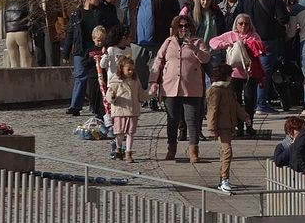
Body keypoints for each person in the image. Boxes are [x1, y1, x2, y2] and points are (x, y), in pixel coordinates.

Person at [149, 15, 210, 163]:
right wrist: (153, 80)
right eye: (181, 26)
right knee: (172, 119)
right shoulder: (169, 42)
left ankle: (193, 150)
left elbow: (206, 58)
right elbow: (158, 60)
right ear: (176, 28)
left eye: (186, 26)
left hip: (192, 87)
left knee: (192, 120)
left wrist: (194, 48)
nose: (184, 28)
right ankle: (172, 148)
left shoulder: (198, 41)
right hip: (170, 86)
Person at [203, 62, 247, 194]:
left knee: (224, 153)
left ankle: (223, 179)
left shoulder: (228, 89)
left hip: (229, 126)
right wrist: (212, 128)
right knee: (227, 151)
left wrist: (245, 117)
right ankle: (224, 180)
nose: (231, 77)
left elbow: (236, 105)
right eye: (230, 75)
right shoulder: (216, 90)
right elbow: (212, 110)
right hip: (221, 127)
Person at [105, 55, 143, 162]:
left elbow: (141, 95)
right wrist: (112, 96)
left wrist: (151, 92)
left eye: (132, 69)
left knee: (131, 132)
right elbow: (109, 97)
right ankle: (118, 149)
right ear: (122, 69)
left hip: (132, 111)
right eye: (128, 69)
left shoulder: (135, 81)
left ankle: (128, 152)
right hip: (120, 112)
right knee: (120, 133)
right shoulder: (116, 81)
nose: (130, 72)